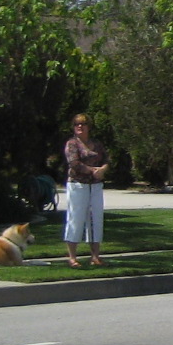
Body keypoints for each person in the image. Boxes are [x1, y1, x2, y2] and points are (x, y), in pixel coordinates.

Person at [60, 113, 109, 268]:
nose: (80, 126)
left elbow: (107, 160)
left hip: (95, 186)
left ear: (89, 126)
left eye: (83, 124)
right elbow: (74, 163)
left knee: (96, 219)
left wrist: (103, 170)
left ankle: (95, 256)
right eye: (77, 124)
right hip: (78, 185)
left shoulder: (97, 143)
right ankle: (72, 257)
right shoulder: (72, 143)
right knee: (76, 219)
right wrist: (92, 170)